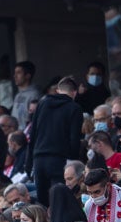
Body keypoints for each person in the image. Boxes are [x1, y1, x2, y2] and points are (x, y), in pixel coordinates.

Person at [26, 77, 84, 205]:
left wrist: (28, 163)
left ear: (58, 90)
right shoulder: (75, 108)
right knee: (59, 199)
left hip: (39, 159)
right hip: (60, 160)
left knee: (44, 202)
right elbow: (74, 139)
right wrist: (73, 162)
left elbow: (33, 134)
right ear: (74, 92)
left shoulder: (43, 103)